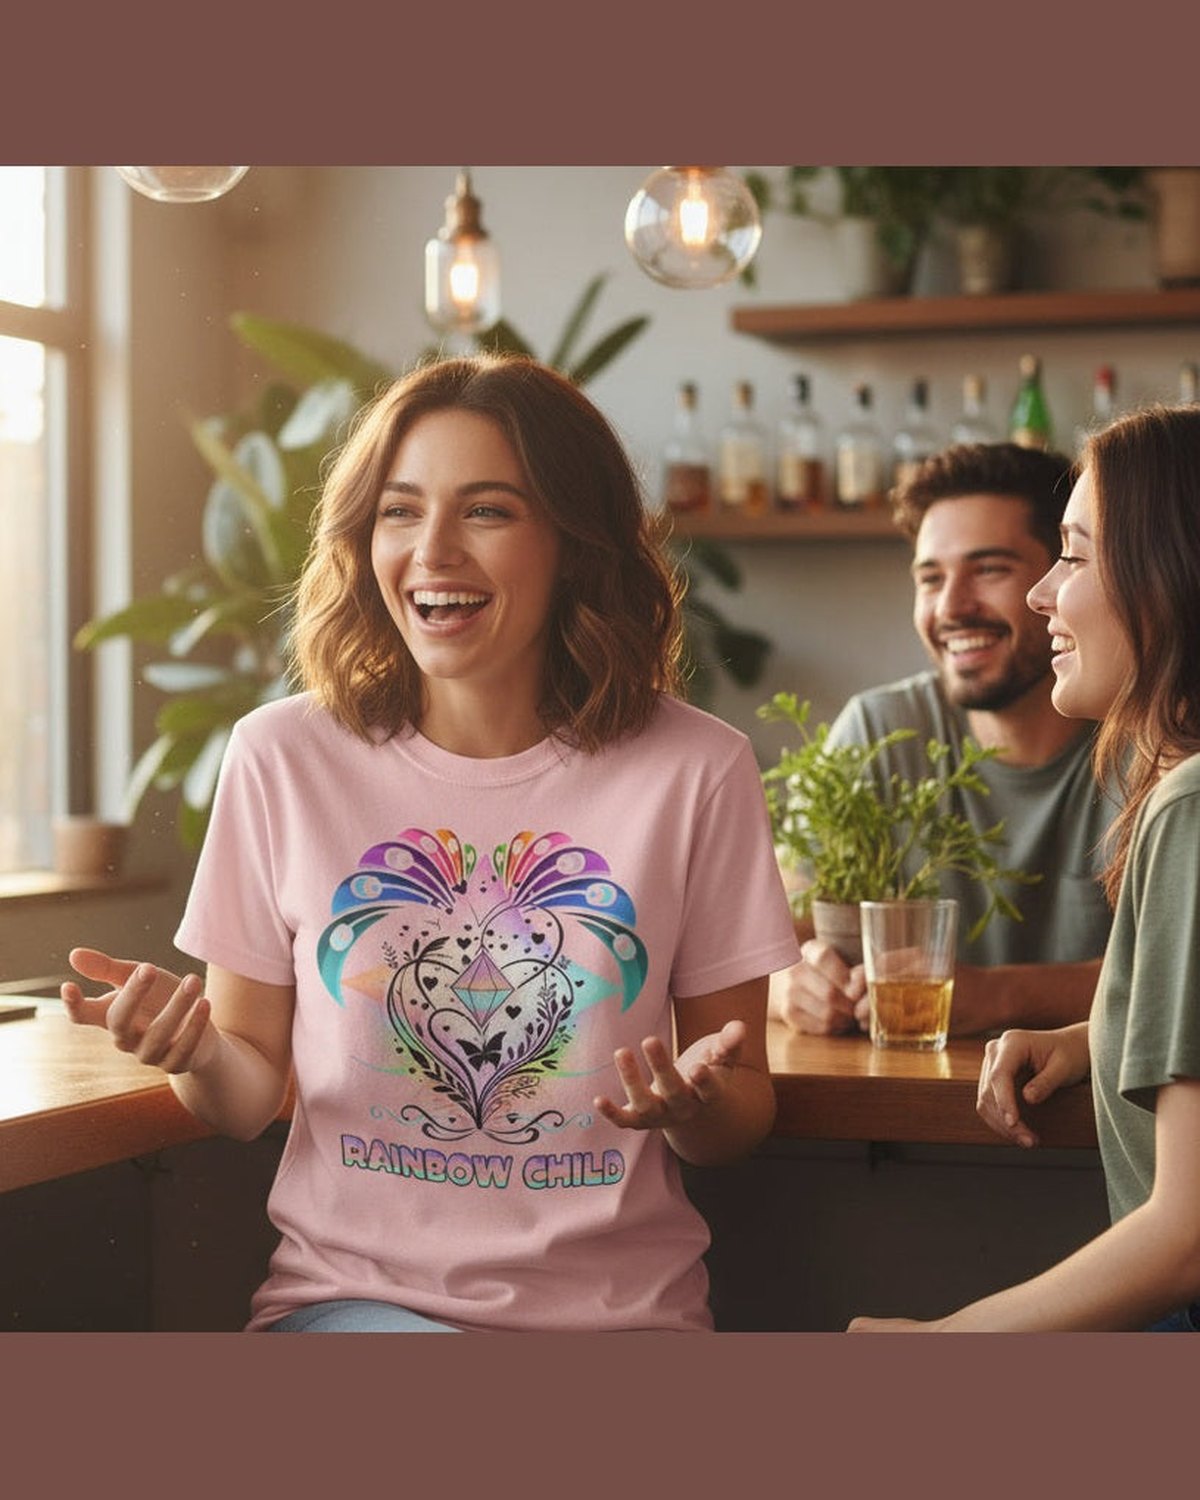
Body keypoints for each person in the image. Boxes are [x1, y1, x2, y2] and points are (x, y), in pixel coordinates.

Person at [62, 354, 801, 1334]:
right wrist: (195, 1049)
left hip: (621, 1320)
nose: (434, 550)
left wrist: (695, 1102)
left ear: (575, 544)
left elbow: (740, 1106)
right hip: (355, 1307)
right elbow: (244, 1098)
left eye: (487, 511)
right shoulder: (281, 756)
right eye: (400, 512)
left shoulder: (698, 769)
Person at [850, 403, 1200, 1331]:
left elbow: (1186, 1239)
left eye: (1074, 557)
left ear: (1169, 579)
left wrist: (933, 1349)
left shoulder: (1189, 803)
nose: (1047, 594)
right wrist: (1098, 1036)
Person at [770, 442, 1116, 1039]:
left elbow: (1173, 976)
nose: (952, 607)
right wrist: (790, 983)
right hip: (891, 1112)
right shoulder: (879, 733)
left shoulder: (1146, 738)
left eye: (989, 570)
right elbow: (775, 937)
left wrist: (998, 995)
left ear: (1061, 577)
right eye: (931, 578)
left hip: (1078, 1122)